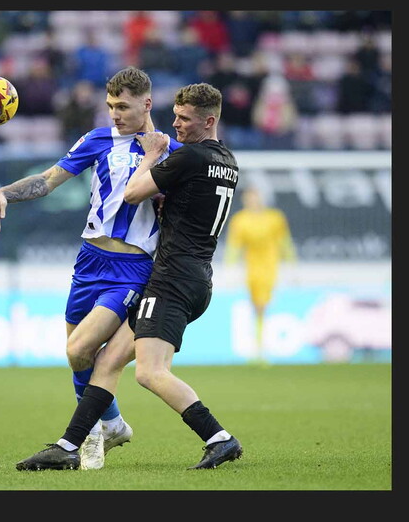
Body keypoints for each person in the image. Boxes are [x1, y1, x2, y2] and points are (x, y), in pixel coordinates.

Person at [15, 83, 243, 471]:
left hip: (170, 279)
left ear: (209, 121)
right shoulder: (227, 160)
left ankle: (219, 438)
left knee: (150, 372)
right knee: (106, 362)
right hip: (193, 276)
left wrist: (152, 154)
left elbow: (134, 192)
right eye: (175, 116)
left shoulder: (189, 157)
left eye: (184, 119)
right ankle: (70, 446)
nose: (176, 125)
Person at [0, 67, 183, 470]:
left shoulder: (172, 152)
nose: (114, 114)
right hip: (89, 261)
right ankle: (112, 424)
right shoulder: (97, 140)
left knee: (80, 348)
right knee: (78, 357)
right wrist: (4, 192)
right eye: (110, 106)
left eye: (123, 106)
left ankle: (87, 437)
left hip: (132, 268)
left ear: (147, 104)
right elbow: (48, 180)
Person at [224, 185, 297, 365]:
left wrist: (292, 265)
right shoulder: (240, 220)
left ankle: (260, 350)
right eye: (249, 198)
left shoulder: (275, 218)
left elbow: (284, 242)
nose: (253, 201)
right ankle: (259, 349)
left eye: (255, 197)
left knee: (262, 305)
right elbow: (234, 246)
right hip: (251, 268)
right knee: (256, 306)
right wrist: (229, 268)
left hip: (270, 267)